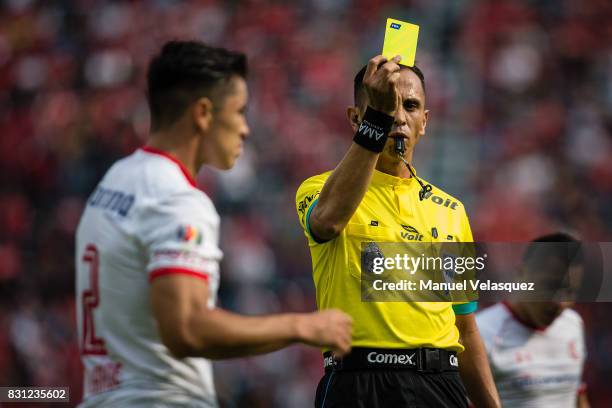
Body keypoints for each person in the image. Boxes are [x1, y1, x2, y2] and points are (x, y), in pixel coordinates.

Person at [75, 40, 353, 408]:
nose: (245, 129)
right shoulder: (177, 199)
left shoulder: (114, 182)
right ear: (204, 113)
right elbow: (187, 329)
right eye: (239, 111)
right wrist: (303, 327)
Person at [295, 55, 500, 407]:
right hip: (358, 385)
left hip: (441, 386)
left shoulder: (452, 211)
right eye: (387, 106)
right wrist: (376, 123)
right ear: (356, 117)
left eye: (411, 105)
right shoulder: (318, 189)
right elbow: (328, 221)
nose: (399, 116)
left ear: (425, 121)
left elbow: (465, 327)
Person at [476, 233, 590, 407]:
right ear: (521, 274)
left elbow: (577, 397)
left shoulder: (573, 325)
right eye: (549, 286)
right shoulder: (481, 333)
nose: (559, 302)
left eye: (569, 291)